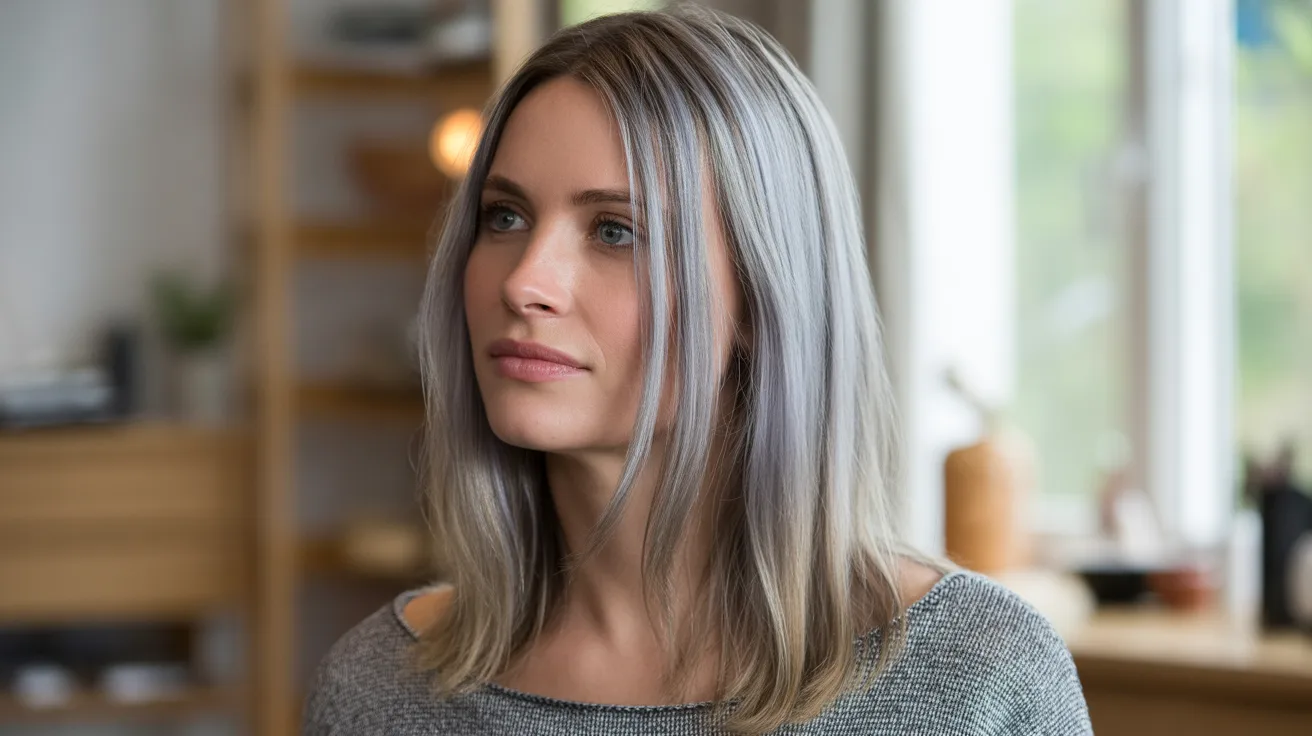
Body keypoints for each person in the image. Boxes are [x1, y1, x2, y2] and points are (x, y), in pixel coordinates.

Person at [303, 6, 1091, 735]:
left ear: (761, 294)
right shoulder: (378, 688)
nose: (524, 281)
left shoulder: (978, 680)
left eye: (615, 230)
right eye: (505, 217)